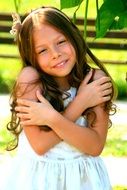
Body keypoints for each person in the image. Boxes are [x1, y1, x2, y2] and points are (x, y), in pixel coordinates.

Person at [1, 6, 117, 190]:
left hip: (84, 180)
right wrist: (80, 103)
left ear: (74, 37)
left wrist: (51, 118)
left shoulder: (95, 81)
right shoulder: (30, 80)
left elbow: (95, 146)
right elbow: (40, 145)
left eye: (61, 41)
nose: (55, 54)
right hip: (38, 180)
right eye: (42, 51)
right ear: (31, 56)